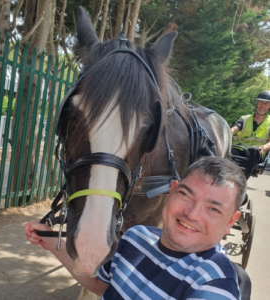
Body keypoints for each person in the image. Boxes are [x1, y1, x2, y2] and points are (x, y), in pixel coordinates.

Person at [25, 156, 246, 299]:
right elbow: (101, 287)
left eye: (213, 209)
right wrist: (55, 244)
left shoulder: (215, 283)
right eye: (186, 195)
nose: (192, 214)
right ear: (172, 191)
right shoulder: (135, 237)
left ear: (230, 222)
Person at [231, 90, 270, 179]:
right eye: (260, 102)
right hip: (239, 149)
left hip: (256, 152)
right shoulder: (244, 118)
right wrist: (228, 132)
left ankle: (243, 180)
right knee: (227, 152)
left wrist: (263, 148)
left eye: (266, 103)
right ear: (256, 103)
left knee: (253, 150)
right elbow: (234, 129)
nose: (262, 105)